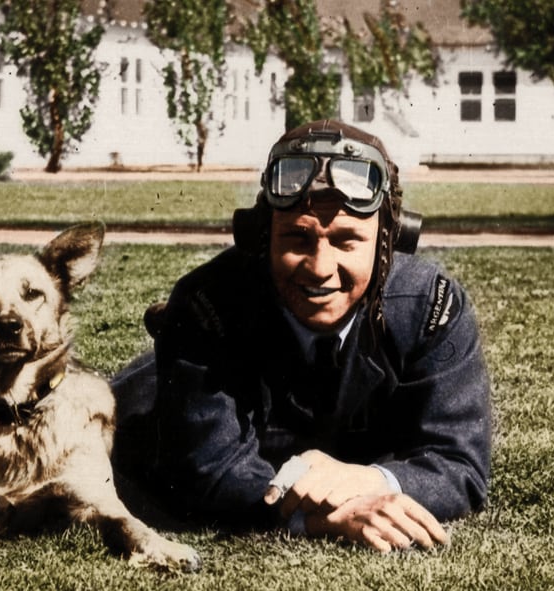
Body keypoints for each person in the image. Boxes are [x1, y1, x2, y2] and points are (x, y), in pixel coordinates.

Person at [111, 119, 491, 553]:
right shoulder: (208, 302)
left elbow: (459, 462)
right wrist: (322, 517)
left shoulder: (431, 306)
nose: (319, 268)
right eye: (297, 238)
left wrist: (371, 480)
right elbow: (206, 468)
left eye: (346, 241)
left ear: (387, 242)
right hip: (155, 402)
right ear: (261, 236)